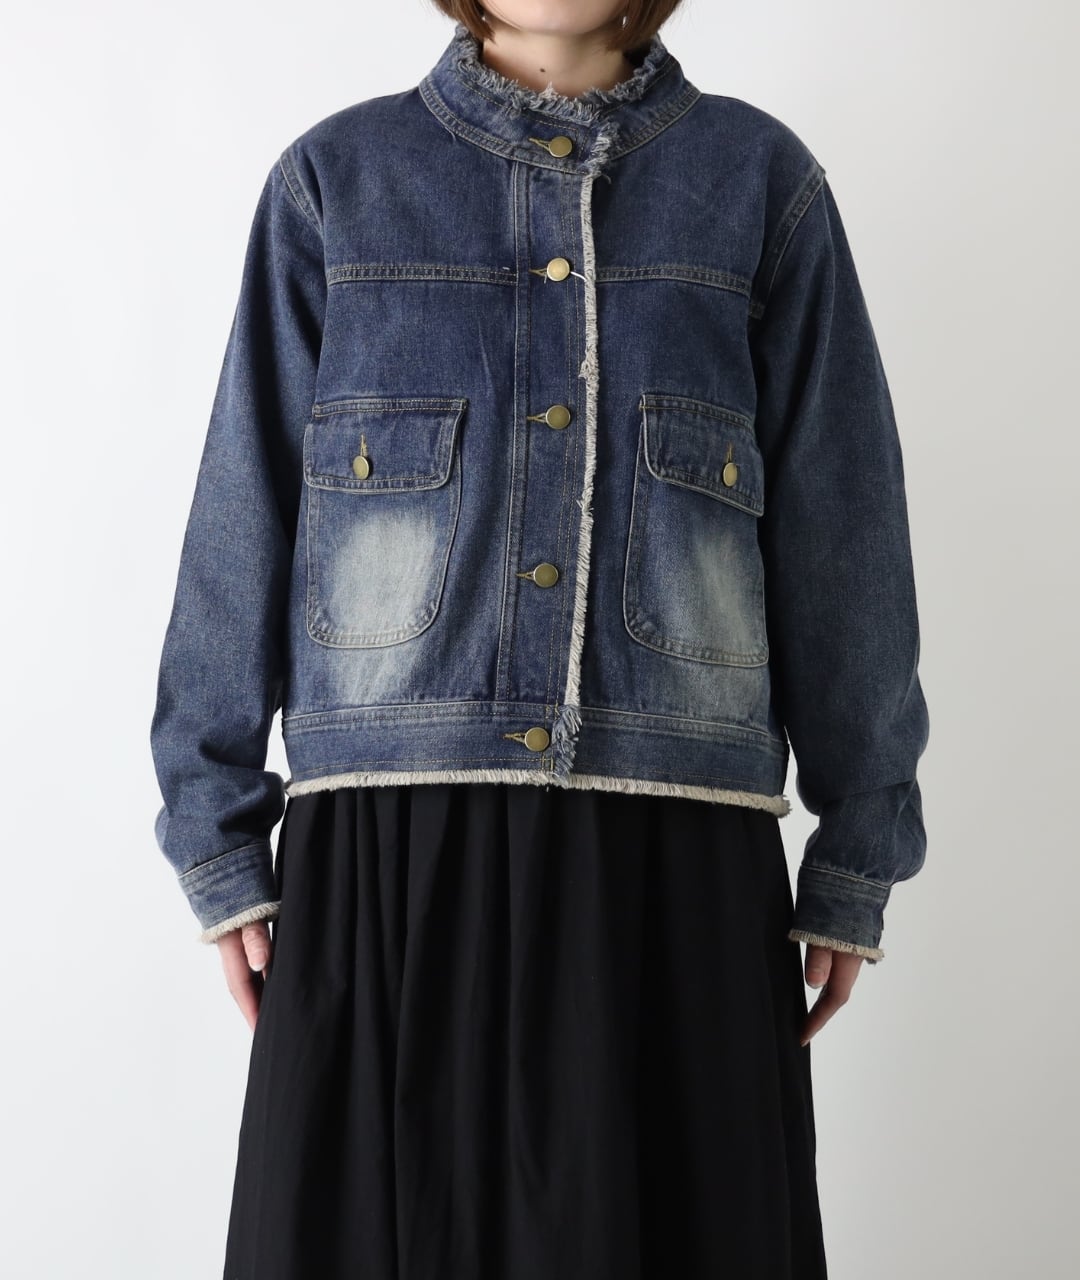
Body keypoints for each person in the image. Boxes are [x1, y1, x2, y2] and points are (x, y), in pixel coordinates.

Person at [149, 2, 929, 1275]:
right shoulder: (335, 184)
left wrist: (860, 843)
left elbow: (843, 522)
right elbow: (244, 504)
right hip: (391, 855)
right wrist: (216, 829)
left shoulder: (760, 184)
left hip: (673, 853)